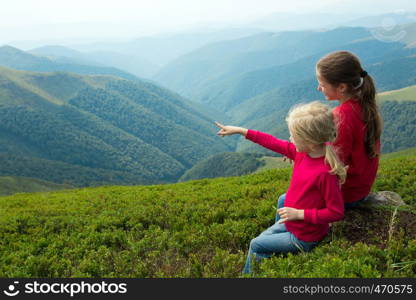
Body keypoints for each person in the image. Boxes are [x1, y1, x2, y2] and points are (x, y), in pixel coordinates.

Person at [215, 101, 346, 274]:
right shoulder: (303, 152)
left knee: (256, 244)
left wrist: (299, 214)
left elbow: (336, 212)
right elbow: (272, 142)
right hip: (293, 223)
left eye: (294, 136)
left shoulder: (324, 173)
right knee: (282, 200)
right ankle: (275, 244)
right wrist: (241, 131)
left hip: (304, 237)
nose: (290, 139)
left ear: (310, 142)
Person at [316, 51, 382, 208]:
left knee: (285, 200)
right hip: (361, 187)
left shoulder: (341, 117)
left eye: (322, 84)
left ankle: (293, 233)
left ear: (342, 87)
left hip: (347, 193)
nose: (319, 88)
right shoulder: (364, 105)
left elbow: (334, 162)